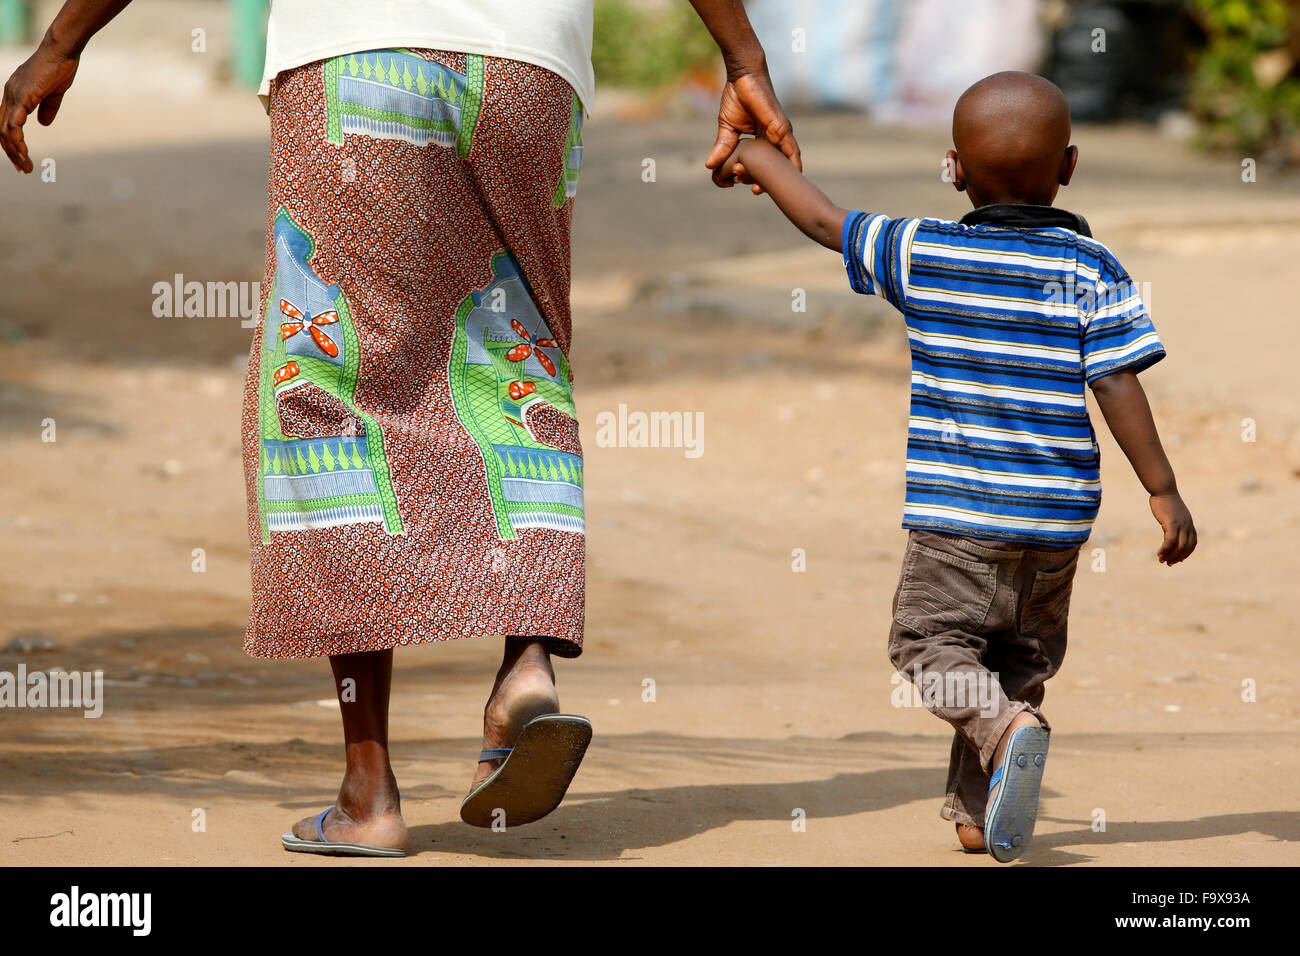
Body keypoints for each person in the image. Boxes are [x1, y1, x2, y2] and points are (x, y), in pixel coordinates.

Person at [0, 0, 801, 857]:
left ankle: (368, 789)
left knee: (325, 389)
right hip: (530, 71)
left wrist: (61, 39)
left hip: (356, 57)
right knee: (515, 358)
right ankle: (527, 664)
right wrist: (743, 57)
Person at [714, 71, 1196, 862]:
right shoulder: (1094, 268)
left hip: (957, 521)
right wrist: (1163, 488)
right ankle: (980, 814)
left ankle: (1008, 734)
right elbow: (1117, 379)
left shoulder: (923, 251)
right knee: (1012, 665)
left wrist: (761, 159)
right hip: (1056, 524)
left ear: (953, 169)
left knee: (927, 645)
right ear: (1069, 166)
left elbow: (826, 220)